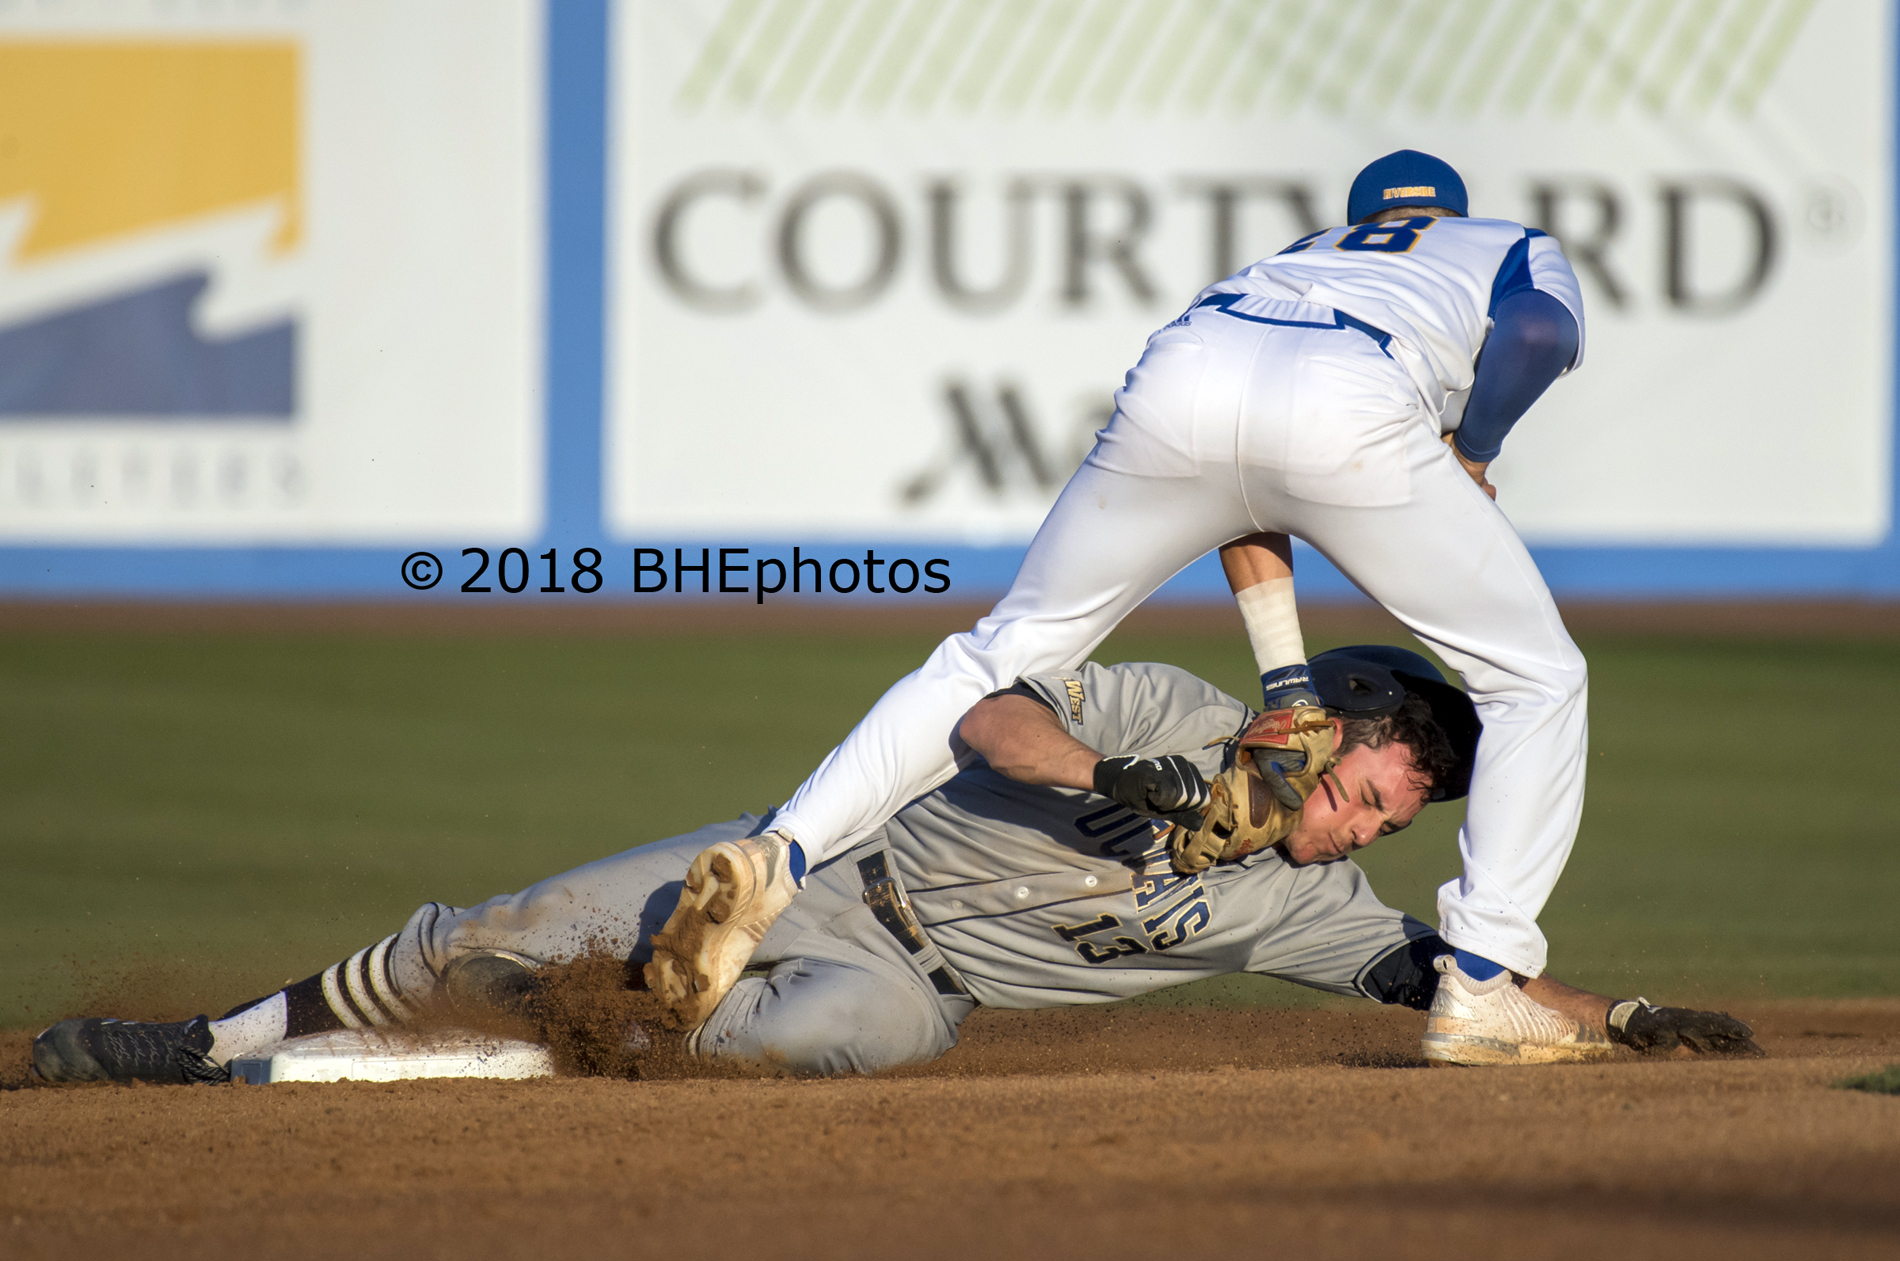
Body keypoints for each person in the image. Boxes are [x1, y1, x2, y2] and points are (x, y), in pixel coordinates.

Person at [646, 150, 1594, 1048]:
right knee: (1536, 679)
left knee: (998, 650)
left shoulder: (1301, 259)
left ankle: (784, 851)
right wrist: (1476, 449)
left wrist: (1287, 683)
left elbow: (1247, 497)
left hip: (1192, 364)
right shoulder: (1502, 244)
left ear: (1360, 222)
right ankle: (1484, 982)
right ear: (1448, 216)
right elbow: (1536, 333)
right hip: (1354, 387)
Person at [34, 650, 1756, 1085]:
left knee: (822, 1042)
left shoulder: (1308, 904)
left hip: (907, 981)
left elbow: (1449, 982)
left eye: (1399, 824)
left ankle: (609, 1018)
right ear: (1326, 731)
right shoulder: (1168, 709)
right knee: (487, 927)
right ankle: (207, 1041)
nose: (1376, 828)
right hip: (828, 869)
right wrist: (1130, 780)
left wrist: (1613, 1017)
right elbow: (985, 718)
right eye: (1381, 791)